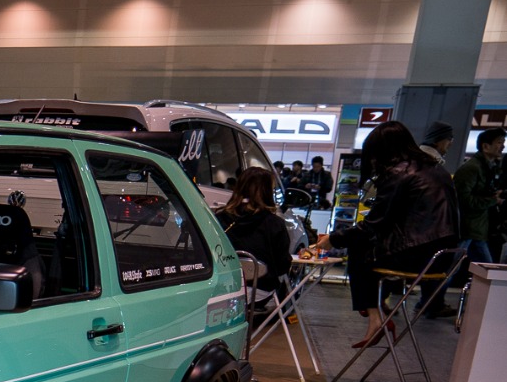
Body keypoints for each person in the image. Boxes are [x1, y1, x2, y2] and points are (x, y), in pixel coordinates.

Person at [321, 120, 460, 344]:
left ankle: (375, 318)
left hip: (418, 254)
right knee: (365, 249)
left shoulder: (399, 171)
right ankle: (375, 315)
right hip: (443, 256)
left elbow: (372, 225)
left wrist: (332, 239)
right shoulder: (434, 167)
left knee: (359, 250)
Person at [216, 167, 292, 315]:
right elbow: (282, 266)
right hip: (259, 290)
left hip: (222, 289)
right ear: (267, 192)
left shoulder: (219, 219)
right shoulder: (275, 223)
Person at [453, 127, 504, 267]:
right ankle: (436, 289)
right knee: (452, 268)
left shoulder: (487, 168)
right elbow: (463, 199)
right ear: (485, 146)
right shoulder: (472, 168)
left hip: (476, 229)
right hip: (467, 228)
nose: (503, 146)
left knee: (485, 268)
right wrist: (493, 200)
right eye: (499, 142)